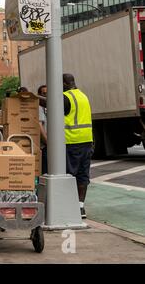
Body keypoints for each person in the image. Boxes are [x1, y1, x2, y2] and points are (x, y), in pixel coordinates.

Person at [63, 74, 93, 219]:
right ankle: (80, 207)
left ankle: (69, 206)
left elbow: (52, 104)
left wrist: (36, 99)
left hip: (72, 141)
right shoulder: (83, 95)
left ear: (64, 83)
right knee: (83, 175)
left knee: (70, 175)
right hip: (87, 141)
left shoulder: (66, 97)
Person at [38, 85, 48, 175]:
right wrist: (47, 142)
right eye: (44, 94)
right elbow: (39, 126)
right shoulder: (39, 108)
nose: (46, 96)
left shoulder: (50, 107)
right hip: (45, 146)